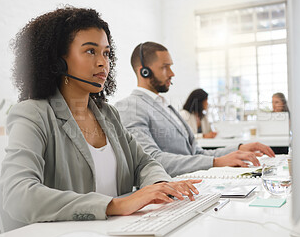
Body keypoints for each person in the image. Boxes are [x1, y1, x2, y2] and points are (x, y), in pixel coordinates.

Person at [0, 7, 200, 224]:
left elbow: (144, 163)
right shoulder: (33, 114)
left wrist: (161, 186)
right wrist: (114, 205)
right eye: (90, 51)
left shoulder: (108, 114)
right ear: (58, 61)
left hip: (118, 233)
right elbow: (17, 195)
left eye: (106, 53)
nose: (103, 62)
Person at [115, 42, 275, 177]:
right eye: (165, 67)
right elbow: (152, 161)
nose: (172, 73)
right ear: (144, 71)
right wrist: (216, 162)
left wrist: (238, 149)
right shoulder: (130, 107)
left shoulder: (165, 105)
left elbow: (196, 154)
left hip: (193, 184)